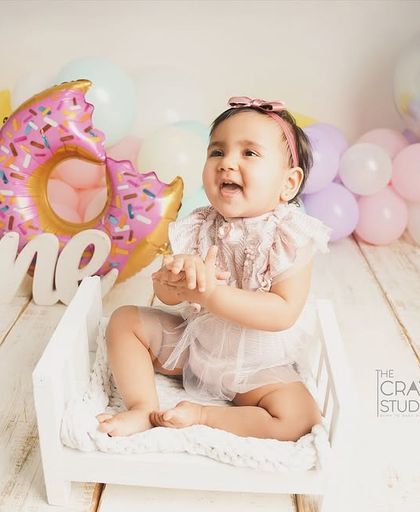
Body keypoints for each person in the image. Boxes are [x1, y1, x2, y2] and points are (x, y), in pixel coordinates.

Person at [96, 96, 332, 442]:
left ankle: (204, 415)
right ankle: (142, 407)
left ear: (289, 183)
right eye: (217, 152)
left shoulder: (290, 235)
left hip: (256, 366)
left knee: (300, 417)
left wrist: (213, 294)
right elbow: (164, 292)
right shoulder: (198, 224)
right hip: (195, 347)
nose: (227, 163)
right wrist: (177, 280)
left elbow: (283, 312)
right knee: (124, 321)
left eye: (249, 153)